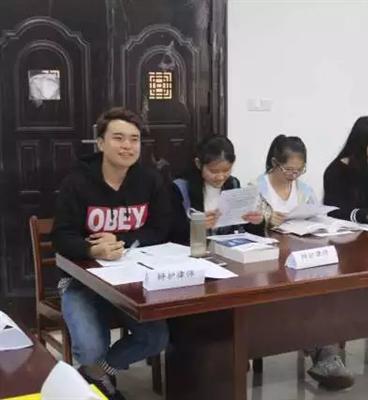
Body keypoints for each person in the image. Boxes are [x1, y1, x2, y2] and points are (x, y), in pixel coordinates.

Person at [51, 107, 171, 400]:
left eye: (134, 139)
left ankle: (96, 374)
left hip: (131, 278)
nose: (127, 146)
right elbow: (61, 237)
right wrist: (91, 248)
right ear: (101, 143)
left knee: (156, 338)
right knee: (90, 347)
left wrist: (121, 240)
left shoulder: (150, 180)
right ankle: (100, 380)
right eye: (118, 138)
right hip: (81, 280)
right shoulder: (76, 182)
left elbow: (160, 229)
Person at [257, 134, 354, 390]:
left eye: (299, 170)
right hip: (267, 265)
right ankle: (327, 356)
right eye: (288, 170)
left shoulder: (305, 190)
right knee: (303, 297)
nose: (293, 175)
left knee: (322, 291)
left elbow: (314, 219)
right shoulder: (256, 189)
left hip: (300, 258)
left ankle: (326, 356)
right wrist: (266, 221)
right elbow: (246, 228)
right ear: (275, 163)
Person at [170, 135, 262, 244]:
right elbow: (172, 233)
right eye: (213, 171)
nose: (220, 177)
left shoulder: (233, 184)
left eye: (226, 170)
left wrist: (256, 222)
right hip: (193, 250)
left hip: (227, 250)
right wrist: (197, 226)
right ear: (198, 164)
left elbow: (240, 228)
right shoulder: (180, 188)